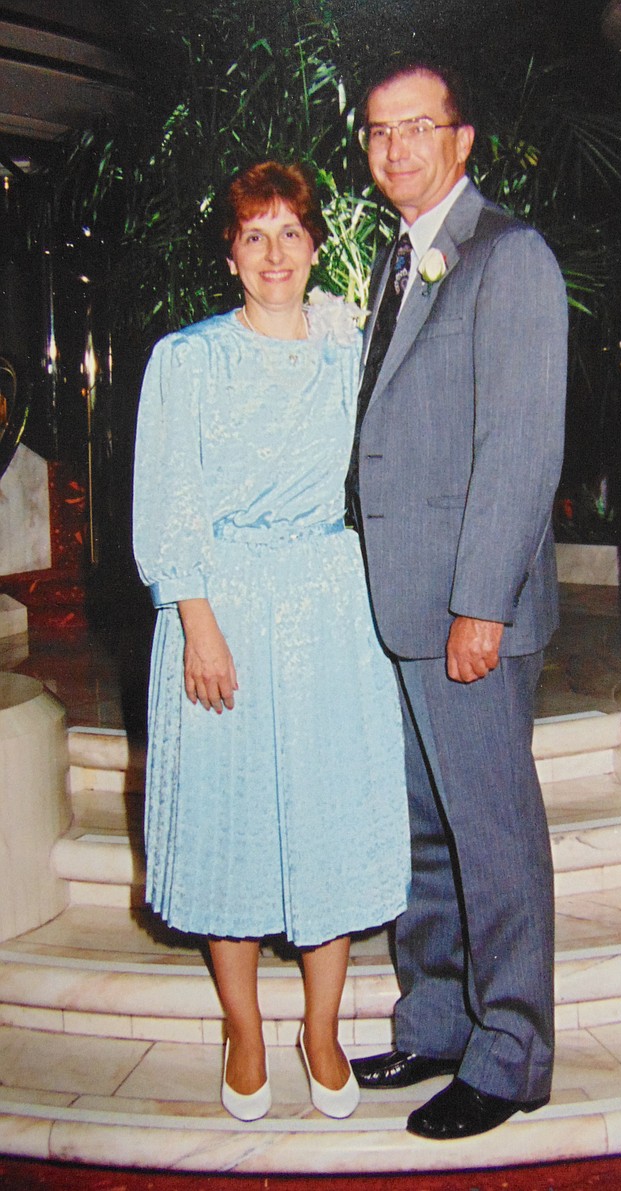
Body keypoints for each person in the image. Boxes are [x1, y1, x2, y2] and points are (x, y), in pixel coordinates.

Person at [132, 161, 410, 1124]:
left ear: (315, 245)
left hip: (330, 606)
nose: (276, 252)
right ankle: (245, 1029)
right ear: (230, 252)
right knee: (230, 819)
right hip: (225, 609)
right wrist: (195, 621)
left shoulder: (348, 346)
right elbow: (168, 500)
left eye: (293, 232)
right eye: (256, 234)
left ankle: (322, 1029)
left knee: (328, 819)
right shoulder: (189, 358)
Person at [346, 60, 568, 1139]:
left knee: (491, 836)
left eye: (417, 126)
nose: (396, 148)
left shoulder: (507, 255)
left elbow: (519, 445)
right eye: (379, 131)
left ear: (461, 139)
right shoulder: (398, 260)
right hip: (402, 606)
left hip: (466, 612)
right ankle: (435, 1023)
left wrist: (481, 603)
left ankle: (511, 1052)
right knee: (422, 833)